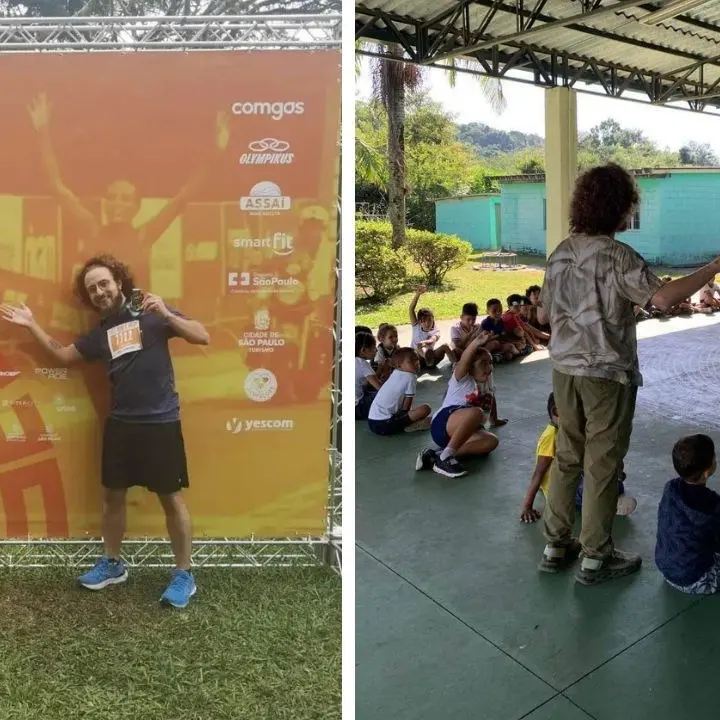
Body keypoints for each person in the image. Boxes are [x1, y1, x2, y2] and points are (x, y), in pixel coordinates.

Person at [538, 162, 720, 586]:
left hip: (564, 370)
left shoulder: (560, 253)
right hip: (606, 374)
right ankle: (595, 557)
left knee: (568, 455)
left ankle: (555, 544)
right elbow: (662, 299)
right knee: (602, 464)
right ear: (619, 209)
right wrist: (712, 268)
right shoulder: (618, 256)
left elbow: (547, 312)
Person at [0, 254, 209, 608]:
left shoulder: (152, 313)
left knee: (171, 499)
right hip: (120, 425)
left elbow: (202, 336)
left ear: (118, 283)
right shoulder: (101, 334)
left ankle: (183, 575)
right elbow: (64, 355)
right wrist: (30, 324)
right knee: (112, 498)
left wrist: (168, 314)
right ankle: (113, 565)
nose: (99, 291)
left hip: (160, 423)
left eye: (104, 284)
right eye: (92, 289)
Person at [28, 92, 230, 289]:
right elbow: (56, 186)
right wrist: (42, 131)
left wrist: (217, 152)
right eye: (112, 197)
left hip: (136, 321)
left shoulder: (144, 235)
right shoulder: (92, 230)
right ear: (104, 202)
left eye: (125, 199)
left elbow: (182, 199)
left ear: (136, 206)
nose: (117, 204)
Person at [520, 392, 636, 524]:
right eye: (580, 414)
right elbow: (538, 473)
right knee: (595, 487)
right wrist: (527, 507)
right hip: (561, 489)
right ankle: (608, 505)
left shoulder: (572, 432)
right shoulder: (551, 436)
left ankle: (609, 496)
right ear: (557, 412)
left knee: (611, 476)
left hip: (576, 477)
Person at [417, 337, 499, 478]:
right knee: (476, 412)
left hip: (460, 434)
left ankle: (436, 456)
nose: (489, 367)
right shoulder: (461, 378)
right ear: (470, 367)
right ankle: (445, 459)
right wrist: (476, 342)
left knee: (491, 441)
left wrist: (495, 419)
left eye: (490, 363)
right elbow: (465, 359)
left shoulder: (485, 384)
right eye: (484, 363)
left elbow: (492, 398)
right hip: (442, 425)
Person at [656, 434, 720, 595]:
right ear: (706, 472)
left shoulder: (670, 488)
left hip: (667, 570)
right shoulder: (713, 505)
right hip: (696, 580)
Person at [367, 347, 431, 436]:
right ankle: (411, 425)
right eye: (411, 361)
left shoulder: (396, 372)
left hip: (372, 421)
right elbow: (407, 404)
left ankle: (405, 422)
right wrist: (408, 417)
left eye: (417, 359)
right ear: (399, 365)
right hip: (384, 424)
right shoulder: (410, 377)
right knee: (426, 409)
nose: (416, 362)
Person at [408, 285, 452, 369]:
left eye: (429, 320)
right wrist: (417, 294)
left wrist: (425, 342)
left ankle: (455, 364)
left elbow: (433, 339)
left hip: (432, 360)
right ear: (420, 322)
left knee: (445, 346)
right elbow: (411, 309)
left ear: (433, 320)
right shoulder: (416, 326)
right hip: (417, 359)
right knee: (417, 348)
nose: (427, 323)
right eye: (423, 321)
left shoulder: (436, 330)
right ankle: (425, 358)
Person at [356, 331, 382, 420]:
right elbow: (380, 388)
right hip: (359, 408)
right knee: (392, 395)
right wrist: (383, 368)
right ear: (363, 350)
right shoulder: (363, 364)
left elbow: (366, 384)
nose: (377, 350)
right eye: (374, 347)